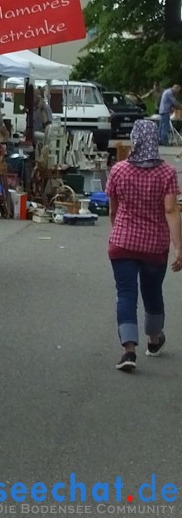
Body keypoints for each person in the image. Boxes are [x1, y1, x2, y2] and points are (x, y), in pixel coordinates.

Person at [104, 118, 182, 372]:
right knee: (152, 292)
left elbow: (113, 211)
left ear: (135, 140)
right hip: (154, 246)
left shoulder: (119, 170)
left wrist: (118, 232)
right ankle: (154, 338)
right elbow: (171, 211)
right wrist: (179, 247)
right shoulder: (167, 173)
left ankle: (128, 350)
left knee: (126, 294)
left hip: (123, 242)